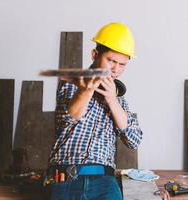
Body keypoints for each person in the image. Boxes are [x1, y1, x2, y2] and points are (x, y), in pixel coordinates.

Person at [47, 22, 143, 200]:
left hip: (104, 180)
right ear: (94, 55)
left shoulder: (120, 100)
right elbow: (68, 118)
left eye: (122, 64)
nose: (115, 69)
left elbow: (134, 140)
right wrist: (87, 89)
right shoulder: (71, 84)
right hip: (65, 176)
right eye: (111, 60)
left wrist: (112, 101)